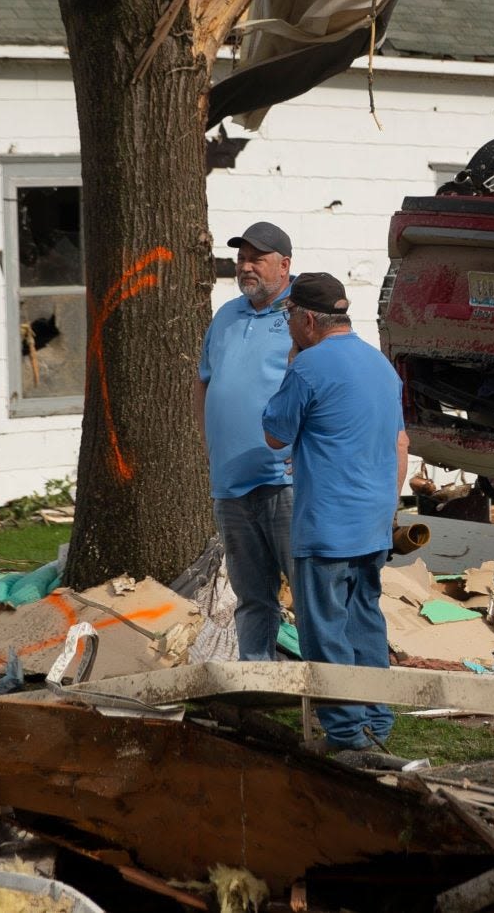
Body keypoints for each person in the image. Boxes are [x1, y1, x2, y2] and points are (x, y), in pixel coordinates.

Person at [260, 271, 406, 752]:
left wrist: (292, 365)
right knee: (365, 625)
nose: (287, 326)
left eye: (287, 317)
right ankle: (376, 725)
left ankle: (347, 735)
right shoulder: (382, 365)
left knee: (324, 633)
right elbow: (399, 442)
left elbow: (275, 435)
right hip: (372, 521)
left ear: (305, 319)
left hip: (327, 524)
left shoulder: (308, 366)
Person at [197, 220, 295, 661]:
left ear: (285, 264)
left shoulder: (301, 317)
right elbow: (204, 382)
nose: (246, 267)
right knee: (252, 598)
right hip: (231, 483)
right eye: (241, 258)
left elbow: (321, 388)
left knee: (310, 597)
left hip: (284, 482)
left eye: (257, 258)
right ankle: (260, 682)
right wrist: (209, 447)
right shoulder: (226, 315)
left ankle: (325, 696)